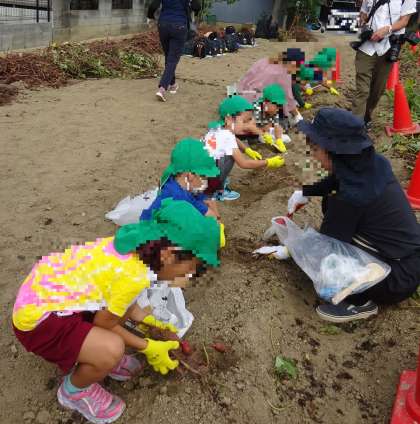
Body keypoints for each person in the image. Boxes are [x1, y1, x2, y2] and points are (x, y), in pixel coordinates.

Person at [12, 199, 222, 423]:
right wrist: (148, 346)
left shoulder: (137, 248)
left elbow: (120, 302)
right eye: (189, 270)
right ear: (169, 255)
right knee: (113, 348)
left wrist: (149, 320)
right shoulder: (133, 277)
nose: (188, 278)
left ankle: (94, 352)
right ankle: (74, 391)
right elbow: (104, 322)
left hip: (54, 297)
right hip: (39, 322)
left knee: (117, 320)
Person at [287, 108, 420, 322]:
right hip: (410, 260)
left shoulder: (349, 197)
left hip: (394, 279)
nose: (312, 153)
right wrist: (307, 192)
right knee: (338, 215)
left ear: (333, 152)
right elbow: (339, 179)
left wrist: (293, 247)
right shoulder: (373, 163)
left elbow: (327, 249)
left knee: (331, 265)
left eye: (315, 148)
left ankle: (360, 302)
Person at [203, 95, 285, 201]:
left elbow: (234, 139)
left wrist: (247, 150)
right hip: (207, 181)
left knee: (226, 154)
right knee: (230, 156)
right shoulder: (226, 137)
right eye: (245, 121)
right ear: (229, 119)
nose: (249, 125)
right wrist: (268, 162)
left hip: (201, 175)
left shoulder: (218, 129)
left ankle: (215, 183)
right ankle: (217, 191)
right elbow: (244, 164)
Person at [351, 0, 416, 128]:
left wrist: (387, 29)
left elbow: (404, 21)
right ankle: (355, 125)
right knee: (362, 90)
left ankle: (366, 116)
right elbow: (363, 13)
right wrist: (363, 22)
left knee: (377, 89)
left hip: (387, 48)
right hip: (366, 46)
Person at [141, 138, 220, 220]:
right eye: (204, 177)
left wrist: (208, 202)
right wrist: (216, 217)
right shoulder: (179, 198)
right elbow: (211, 216)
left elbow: (205, 199)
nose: (206, 181)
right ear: (191, 175)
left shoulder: (176, 179)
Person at [148, 0, 201, 102]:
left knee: (168, 56)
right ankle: (162, 88)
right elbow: (197, 6)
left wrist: (150, 17)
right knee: (172, 60)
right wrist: (195, 14)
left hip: (163, 25)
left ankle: (172, 84)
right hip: (179, 26)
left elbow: (153, 5)